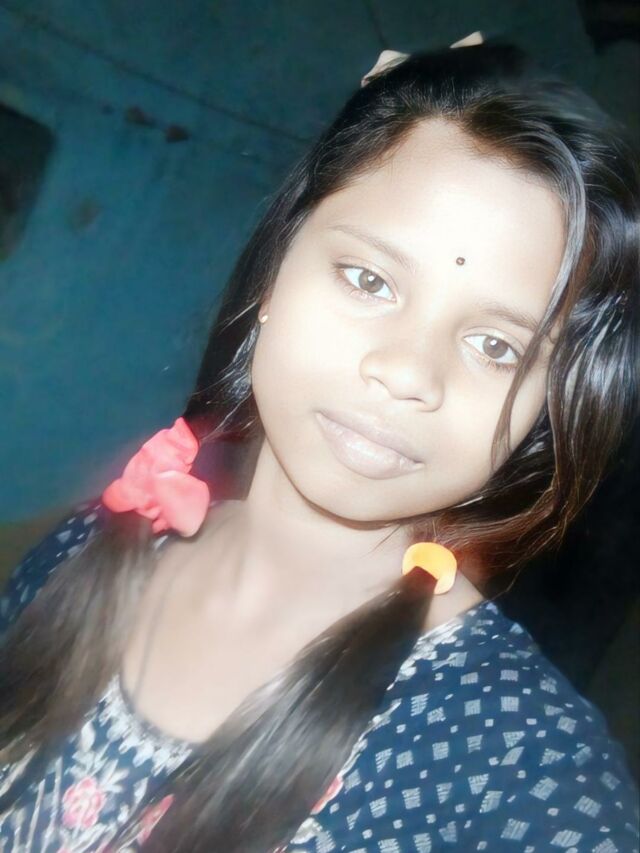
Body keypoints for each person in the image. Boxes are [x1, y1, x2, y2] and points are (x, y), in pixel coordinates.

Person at [1, 38, 638, 853]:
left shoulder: (523, 771)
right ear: (276, 268)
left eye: (496, 346)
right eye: (369, 280)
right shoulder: (83, 549)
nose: (408, 372)